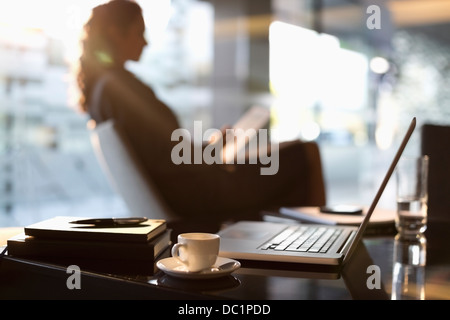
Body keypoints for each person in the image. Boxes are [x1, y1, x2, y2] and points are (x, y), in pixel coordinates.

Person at [76, 0, 326, 225]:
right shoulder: (120, 90)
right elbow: (171, 159)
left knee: (273, 153)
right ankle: (323, 242)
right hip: (200, 193)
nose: (145, 41)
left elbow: (164, 152)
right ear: (115, 33)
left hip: (190, 187)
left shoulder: (104, 91)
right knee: (305, 152)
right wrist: (213, 150)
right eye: (139, 32)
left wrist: (213, 146)